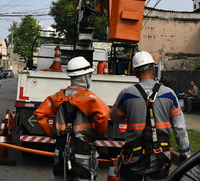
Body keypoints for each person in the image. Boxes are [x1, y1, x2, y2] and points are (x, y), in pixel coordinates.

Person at [110, 51, 190, 180]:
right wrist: (184, 154)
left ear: (136, 73)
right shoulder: (169, 94)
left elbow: (115, 118)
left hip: (133, 157)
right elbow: (179, 128)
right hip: (160, 158)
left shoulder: (127, 94)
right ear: (153, 70)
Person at [34, 56, 109, 181]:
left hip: (61, 147)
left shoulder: (57, 96)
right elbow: (103, 114)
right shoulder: (90, 98)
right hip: (83, 149)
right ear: (85, 76)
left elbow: (40, 114)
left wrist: (52, 134)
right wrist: (98, 133)